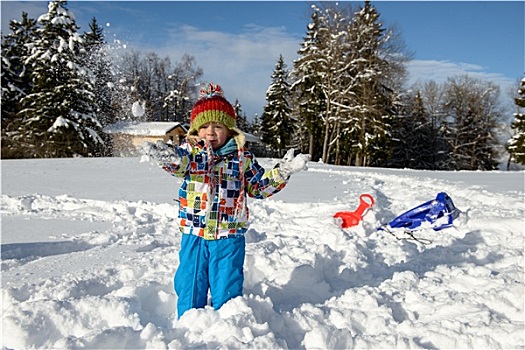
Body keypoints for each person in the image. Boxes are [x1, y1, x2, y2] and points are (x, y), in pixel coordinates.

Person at [144, 82, 309, 318]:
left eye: (218, 126)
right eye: (204, 126)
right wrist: (166, 157)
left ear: (229, 130)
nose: (210, 132)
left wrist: (283, 172)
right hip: (195, 233)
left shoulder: (242, 159)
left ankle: (227, 323)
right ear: (195, 130)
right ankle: (189, 321)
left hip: (229, 235)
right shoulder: (193, 155)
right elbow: (179, 164)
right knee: (190, 281)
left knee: (227, 284)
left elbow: (259, 186)